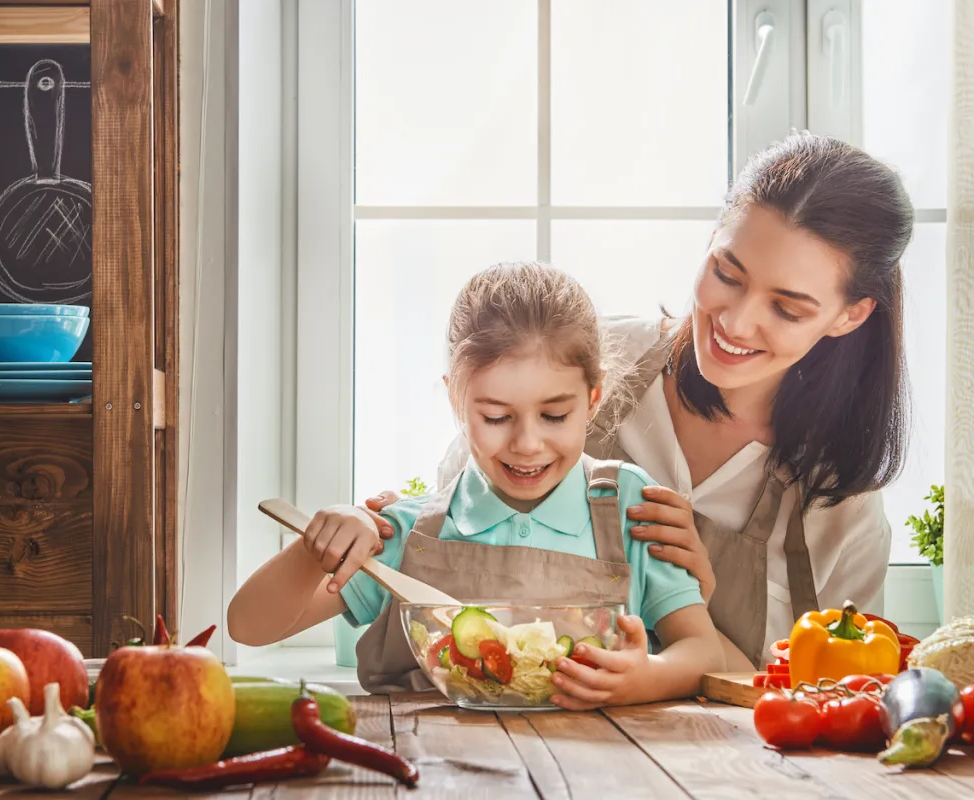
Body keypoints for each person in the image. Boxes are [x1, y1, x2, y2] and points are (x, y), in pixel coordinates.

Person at [364, 131, 915, 672]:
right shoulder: (584, 364)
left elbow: (831, 704)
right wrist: (392, 531)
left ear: (850, 315)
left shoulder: (840, 505)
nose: (736, 321)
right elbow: (455, 558)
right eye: (727, 273)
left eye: (787, 308)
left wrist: (694, 610)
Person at [228, 262, 724, 708]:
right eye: (495, 416)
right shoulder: (406, 532)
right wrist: (315, 549)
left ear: (593, 399)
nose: (527, 443)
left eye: (555, 414)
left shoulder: (626, 507)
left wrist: (647, 678)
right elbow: (248, 627)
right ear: (456, 402)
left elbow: (703, 649)